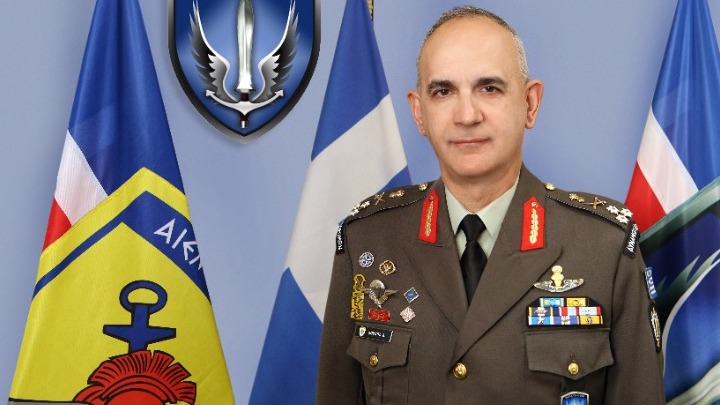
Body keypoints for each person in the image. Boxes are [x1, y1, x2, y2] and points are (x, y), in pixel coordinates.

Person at [317, 6, 665, 404]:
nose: (467, 115)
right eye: (443, 91)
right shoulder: (368, 239)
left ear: (530, 104)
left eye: (489, 88)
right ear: (419, 112)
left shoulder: (603, 247)